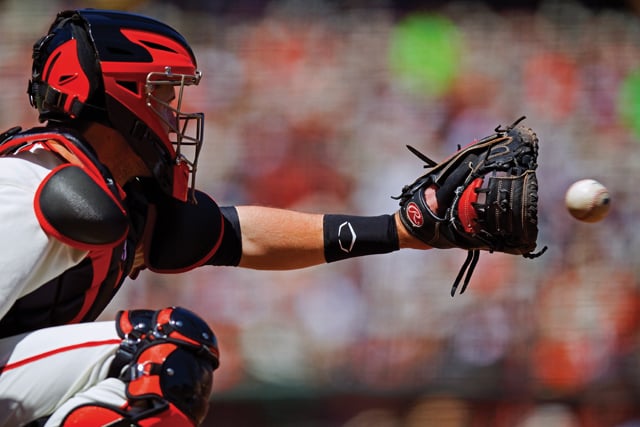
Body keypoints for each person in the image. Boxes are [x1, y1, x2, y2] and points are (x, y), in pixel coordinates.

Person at [0, 8, 542, 427]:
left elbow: (239, 235)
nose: (173, 112)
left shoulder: (113, 195)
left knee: (164, 355)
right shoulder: (32, 184)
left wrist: (400, 229)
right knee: (162, 351)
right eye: (161, 92)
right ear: (113, 92)